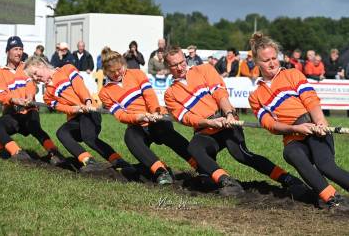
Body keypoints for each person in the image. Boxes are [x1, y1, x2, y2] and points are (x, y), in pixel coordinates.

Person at [163, 46, 304, 196]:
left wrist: (229, 114)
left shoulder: (204, 69)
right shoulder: (170, 94)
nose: (180, 68)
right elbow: (186, 118)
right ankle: (227, 182)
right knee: (195, 148)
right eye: (174, 65)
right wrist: (209, 122)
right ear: (168, 66)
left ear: (185, 59)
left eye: (182, 62)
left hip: (227, 122)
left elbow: (220, 93)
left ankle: (287, 179)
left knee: (242, 155)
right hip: (206, 129)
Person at [248, 32, 349, 211]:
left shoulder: (292, 74)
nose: (272, 63)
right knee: (290, 153)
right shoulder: (255, 96)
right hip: (293, 133)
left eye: (274, 58)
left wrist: (320, 122)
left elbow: (311, 100)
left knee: (324, 165)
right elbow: (270, 125)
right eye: (266, 60)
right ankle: (332, 198)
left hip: (312, 125)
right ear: (256, 62)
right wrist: (295, 128)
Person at [98, 47, 198, 185]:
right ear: (105, 72)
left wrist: (154, 113)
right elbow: (120, 115)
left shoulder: (137, 74)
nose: (117, 74)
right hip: (137, 124)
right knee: (130, 137)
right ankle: (161, 171)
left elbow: (149, 95)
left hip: (154, 118)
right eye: (112, 72)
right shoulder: (104, 92)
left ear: (124, 65)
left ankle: (198, 164)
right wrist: (139, 117)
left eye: (119, 69)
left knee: (167, 133)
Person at [24, 55, 133, 172]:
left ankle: (118, 160)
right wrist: (75, 109)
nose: (36, 78)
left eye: (35, 73)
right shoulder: (47, 96)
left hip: (89, 112)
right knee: (62, 132)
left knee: (89, 138)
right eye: (33, 77)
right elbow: (62, 107)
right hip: (75, 117)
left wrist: (87, 101)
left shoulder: (67, 69)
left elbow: (79, 86)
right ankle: (88, 161)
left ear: (41, 65)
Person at [0, 36, 64, 165]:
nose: (19, 52)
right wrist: (14, 100)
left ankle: (54, 153)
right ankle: (16, 152)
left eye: (21, 49)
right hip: (13, 112)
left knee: (35, 128)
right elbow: (1, 94)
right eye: (15, 49)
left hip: (29, 110)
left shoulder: (26, 67)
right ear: (7, 51)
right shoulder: (1, 72)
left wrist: (29, 97)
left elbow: (31, 84)